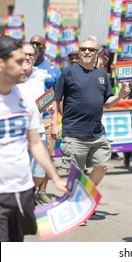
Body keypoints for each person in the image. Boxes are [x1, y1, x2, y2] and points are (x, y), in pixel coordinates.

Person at [0, 35, 68, 242]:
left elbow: (36, 143)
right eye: (19, 61)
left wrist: (55, 178)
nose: (26, 65)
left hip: (21, 192)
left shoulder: (25, 101)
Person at [55, 37, 130, 187]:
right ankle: (78, 202)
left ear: (96, 53)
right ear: (79, 52)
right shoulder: (69, 72)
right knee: (77, 173)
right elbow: (57, 99)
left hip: (96, 134)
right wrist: (59, 121)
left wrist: (120, 95)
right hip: (74, 133)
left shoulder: (102, 76)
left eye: (91, 49)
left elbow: (107, 103)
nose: (87, 52)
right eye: (83, 49)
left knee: (102, 165)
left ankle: (85, 193)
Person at [17, 42, 55, 205]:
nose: (27, 57)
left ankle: (29, 193)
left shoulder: (41, 74)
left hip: (38, 130)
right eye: (24, 54)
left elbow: (48, 98)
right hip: (17, 132)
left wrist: (52, 113)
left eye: (31, 55)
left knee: (39, 172)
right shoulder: (10, 74)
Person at [29, 35, 61, 204]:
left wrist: (57, 121)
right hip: (27, 119)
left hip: (47, 117)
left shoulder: (52, 68)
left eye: (38, 44)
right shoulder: (22, 63)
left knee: (46, 157)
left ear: (44, 47)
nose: (35, 46)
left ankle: (42, 191)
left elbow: (56, 95)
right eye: (32, 43)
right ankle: (27, 192)